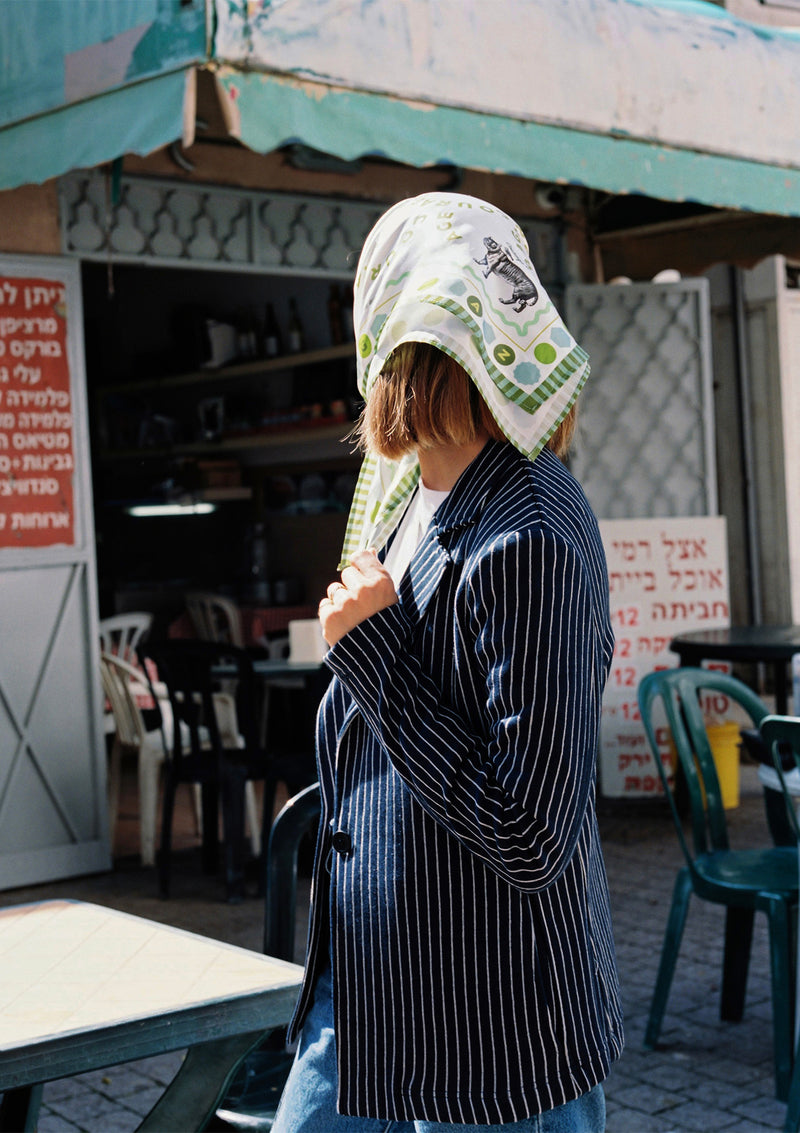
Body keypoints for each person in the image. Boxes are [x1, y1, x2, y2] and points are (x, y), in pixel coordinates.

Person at [271, 192, 623, 1133]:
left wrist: (377, 656)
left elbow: (532, 834)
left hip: (490, 1041)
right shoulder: (405, 500)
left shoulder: (531, 530)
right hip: (371, 1010)